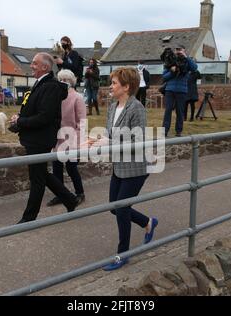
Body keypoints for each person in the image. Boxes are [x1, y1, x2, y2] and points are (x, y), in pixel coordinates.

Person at [87, 67, 158, 271]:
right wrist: (99, 139)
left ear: (126, 87)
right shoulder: (112, 106)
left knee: (121, 208)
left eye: (115, 83)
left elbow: (137, 139)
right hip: (120, 165)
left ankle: (123, 254)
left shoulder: (137, 108)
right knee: (114, 207)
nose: (111, 86)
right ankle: (148, 222)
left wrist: (107, 142)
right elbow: (110, 133)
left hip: (136, 167)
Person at [10, 53, 79, 224]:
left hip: (39, 140)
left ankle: (29, 218)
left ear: (45, 67)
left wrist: (21, 121)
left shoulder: (50, 87)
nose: (31, 66)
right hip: (34, 138)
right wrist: (19, 118)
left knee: (37, 178)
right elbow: (34, 110)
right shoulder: (42, 84)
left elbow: (44, 117)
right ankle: (70, 199)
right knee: (41, 174)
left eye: (34, 63)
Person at [47, 69, 87, 207]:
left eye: (65, 80)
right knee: (56, 168)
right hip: (58, 138)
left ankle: (80, 193)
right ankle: (60, 194)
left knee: (71, 168)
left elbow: (82, 121)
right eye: (60, 80)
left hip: (72, 138)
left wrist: (79, 142)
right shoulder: (56, 96)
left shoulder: (77, 97)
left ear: (71, 82)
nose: (63, 82)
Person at [162, 46, 198, 137]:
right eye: (176, 50)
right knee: (168, 110)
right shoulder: (170, 62)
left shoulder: (187, 62)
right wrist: (171, 72)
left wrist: (186, 56)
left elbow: (194, 68)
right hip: (169, 90)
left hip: (181, 91)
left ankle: (178, 131)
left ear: (184, 51)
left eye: (180, 50)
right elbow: (164, 77)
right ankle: (164, 131)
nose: (178, 52)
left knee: (180, 111)